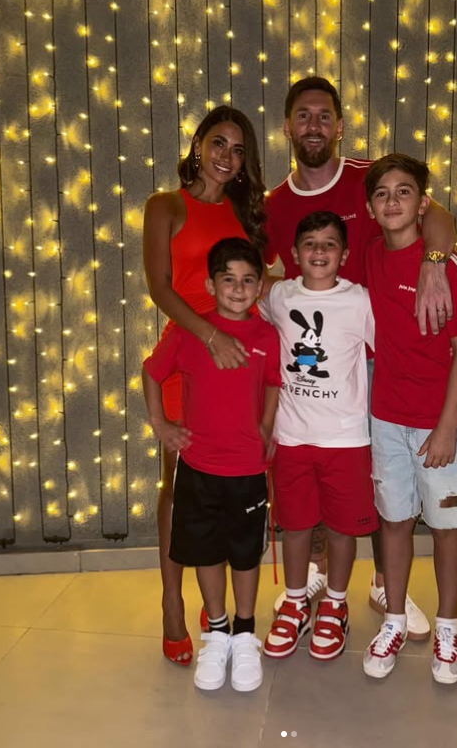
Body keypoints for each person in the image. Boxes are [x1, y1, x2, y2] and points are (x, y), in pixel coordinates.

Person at [264, 77, 457, 637]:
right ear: (287, 126)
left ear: (340, 125)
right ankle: (318, 577)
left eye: (325, 116)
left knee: (371, 474)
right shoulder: (275, 205)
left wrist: (435, 263)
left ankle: (381, 583)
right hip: (318, 364)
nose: (314, 126)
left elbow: (437, 216)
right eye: (303, 115)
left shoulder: (369, 179)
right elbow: (261, 272)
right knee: (318, 469)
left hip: (378, 354)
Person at [142, 106, 267, 665]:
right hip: (189, 351)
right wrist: (209, 335)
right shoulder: (165, 206)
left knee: (231, 480)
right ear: (197, 144)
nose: (226, 157)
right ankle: (172, 600)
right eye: (218, 143)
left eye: (238, 150)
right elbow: (160, 287)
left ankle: (217, 604)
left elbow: (259, 279)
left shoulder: (246, 212)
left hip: (237, 362)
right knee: (179, 481)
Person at [361, 154, 457, 684]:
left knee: (445, 526)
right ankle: (394, 619)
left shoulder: (447, 266)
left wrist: (446, 427)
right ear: (370, 208)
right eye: (382, 194)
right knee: (394, 520)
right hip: (387, 417)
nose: (392, 201)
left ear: (422, 203)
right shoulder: (370, 256)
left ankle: (448, 627)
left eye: (404, 192)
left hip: (443, 422)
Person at [142, 238, 280, 691]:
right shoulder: (190, 333)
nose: (238, 289)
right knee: (206, 552)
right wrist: (161, 424)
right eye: (228, 280)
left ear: (259, 287)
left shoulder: (267, 336)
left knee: (244, 554)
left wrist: (266, 425)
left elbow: (274, 383)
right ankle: (217, 632)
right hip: (199, 468)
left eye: (247, 280)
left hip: (247, 469)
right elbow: (152, 372)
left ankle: (244, 633)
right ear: (210, 285)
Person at [259, 211, 378, 661]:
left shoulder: (359, 301)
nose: (320, 251)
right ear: (294, 253)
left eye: (330, 244)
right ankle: (295, 603)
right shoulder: (280, 295)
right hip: (291, 437)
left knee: (344, 529)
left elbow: (388, 349)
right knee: (295, 525)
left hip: (345, 440)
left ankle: (335, 604)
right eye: (310, 243)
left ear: (344, 255)